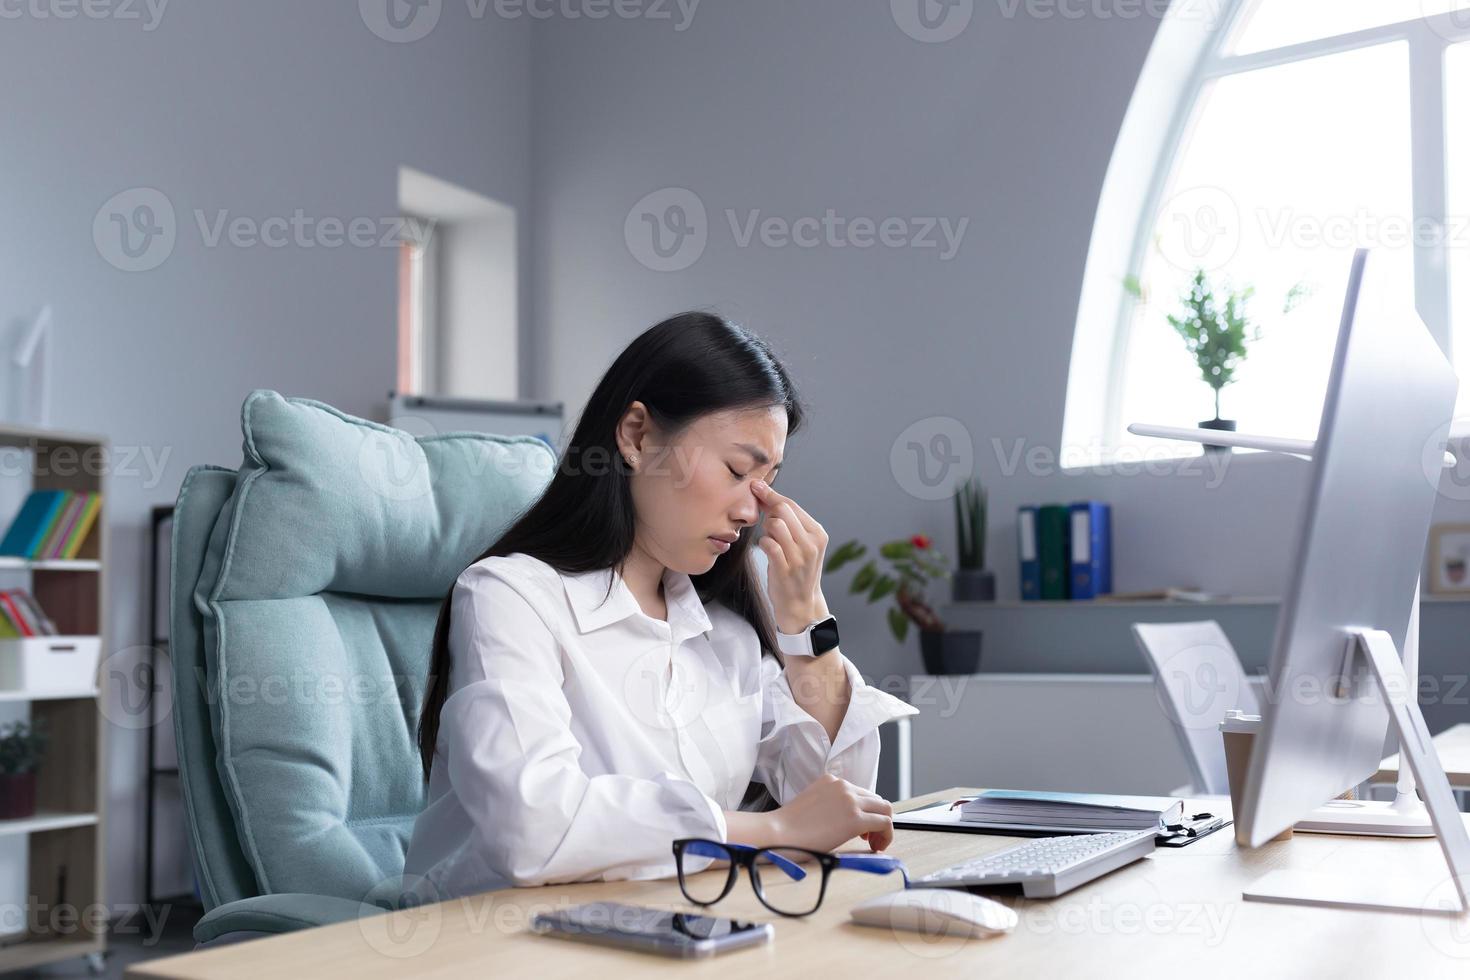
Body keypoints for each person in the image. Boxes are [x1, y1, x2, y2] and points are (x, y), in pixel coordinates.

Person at [402, 311, 918, 900]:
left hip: (677, 927)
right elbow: (531, 829)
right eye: (737, 470)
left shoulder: (723, 627)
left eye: (768, 480)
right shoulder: (510, 596)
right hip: (498, 942)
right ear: (637, 436)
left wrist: (807, 622)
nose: (753, 510)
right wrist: (773, 830)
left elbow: (839, 812)